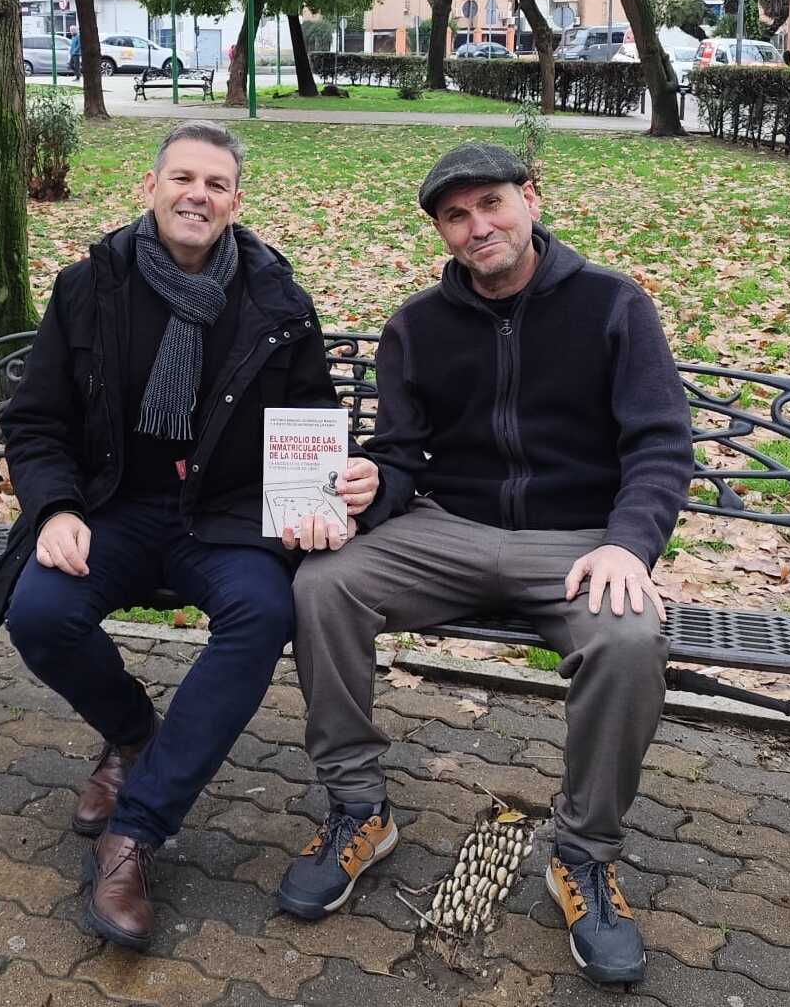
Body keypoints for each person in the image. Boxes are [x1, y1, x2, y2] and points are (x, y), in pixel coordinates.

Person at [277, 142, 692, 988]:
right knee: (324, 584)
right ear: (441, 229)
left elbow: (658, 445)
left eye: (492, 205)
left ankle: (582, 854)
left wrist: (628, 541)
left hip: (579, 541)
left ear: (530, 199)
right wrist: (369, 485)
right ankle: (360, 806)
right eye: (456, 216)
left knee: (628, 638)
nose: (478, 227)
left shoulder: (613, 306)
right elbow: (399, 455)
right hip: (449, 530)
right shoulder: (417, 325)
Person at [0, 120, 378, 952]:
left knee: (262, 613)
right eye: (182, 179)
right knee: (39, 611)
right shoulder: (91, 286)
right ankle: (136, 733)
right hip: (113, 504)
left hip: (226, 517)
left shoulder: (275, 298)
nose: (197, 195)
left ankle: (133, 834)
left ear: (236, 202)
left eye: (215, 184)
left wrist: (316, 497)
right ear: (151, 187)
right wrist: (56, 508)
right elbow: (35, 422)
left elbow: (310, 415)